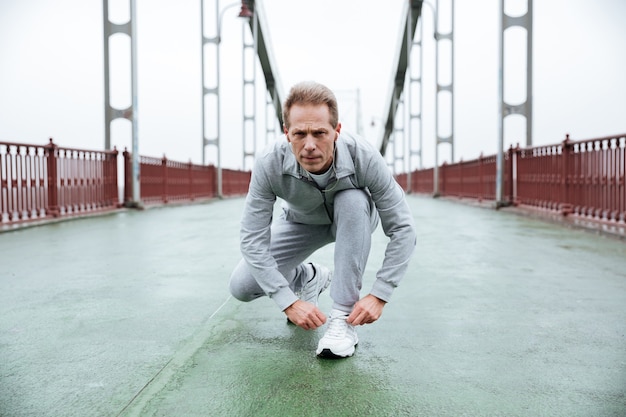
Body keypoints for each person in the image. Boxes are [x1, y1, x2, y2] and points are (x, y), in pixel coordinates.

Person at [229, 81, 416, 358]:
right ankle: (309, 276)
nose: (309, 145)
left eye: (319, 133)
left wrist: (380, 294)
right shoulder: (270, 162)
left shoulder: (363, 155)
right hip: (301, 221)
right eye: (299, 134)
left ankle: (341, 319)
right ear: (286, 133)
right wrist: (288, 302)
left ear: (336, 131)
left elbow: (403, 228)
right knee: (242, 286)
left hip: (355, 218)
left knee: (351, 199)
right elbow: (252, 237)